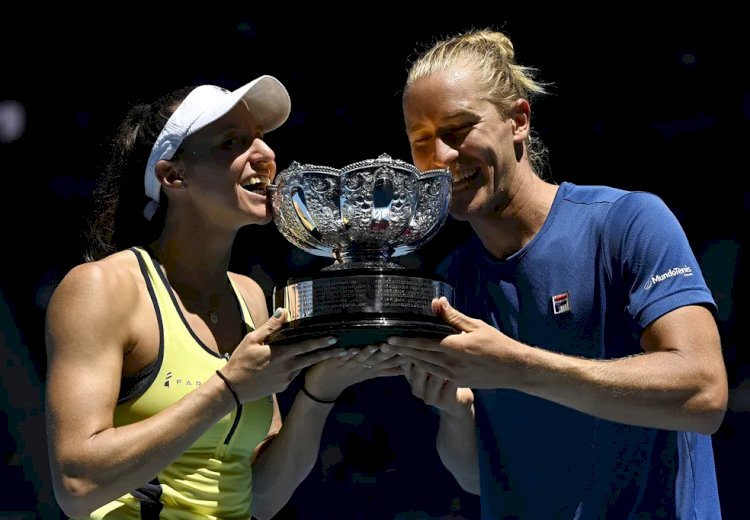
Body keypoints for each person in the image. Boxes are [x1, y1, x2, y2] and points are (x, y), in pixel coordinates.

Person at [387, 29, 729, 518]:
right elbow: (476, 477)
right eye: (422, 141)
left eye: (458, 129)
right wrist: (453, 410)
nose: (441, 157)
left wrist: (517, 366)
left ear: (518, 120)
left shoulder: (627, 222)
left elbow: (705, 392)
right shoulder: (453, 280)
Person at [44, 74, 402, 519]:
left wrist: (319, 391)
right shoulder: (100, 289)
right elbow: (77, 485)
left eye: (260, 139)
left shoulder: (250, 296)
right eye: (231, 143)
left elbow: (264, 498)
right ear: (173, 176)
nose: (266, 155)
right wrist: (228, 388)